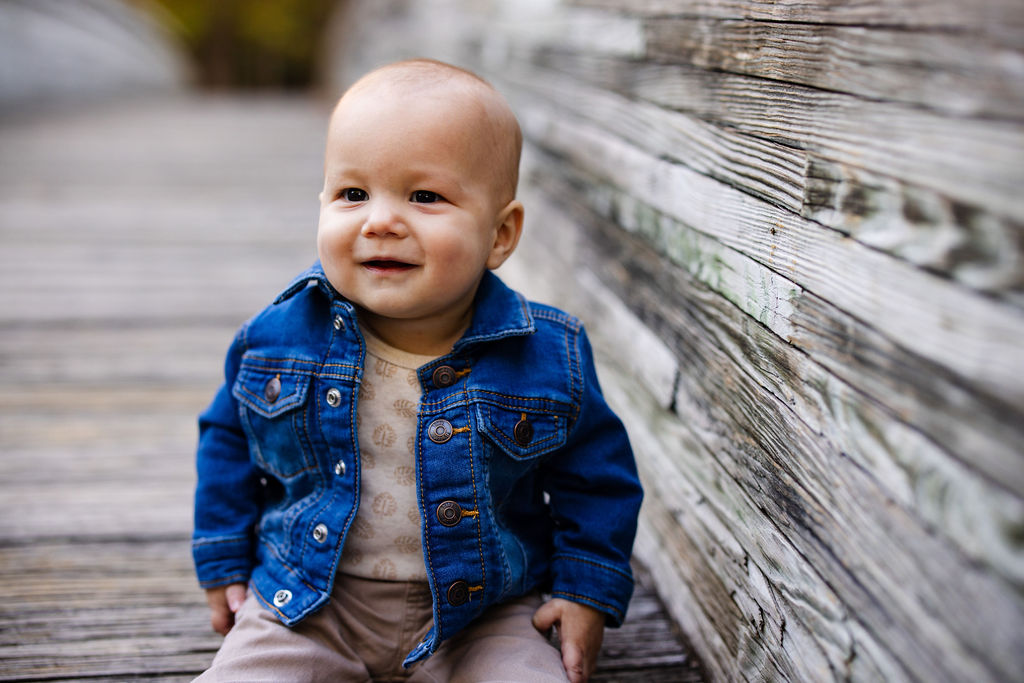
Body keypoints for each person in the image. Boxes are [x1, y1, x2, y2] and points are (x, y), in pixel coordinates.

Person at [191, 58, 643, 683]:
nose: (380, 221)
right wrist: (222, 560)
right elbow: (227, 442)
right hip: (309, 602)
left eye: (424, 196)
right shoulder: (278, 337)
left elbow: (597, 481)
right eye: (353, 194)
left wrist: (587, 590)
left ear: (500, 234)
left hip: (485, 611)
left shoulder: (546, 355)